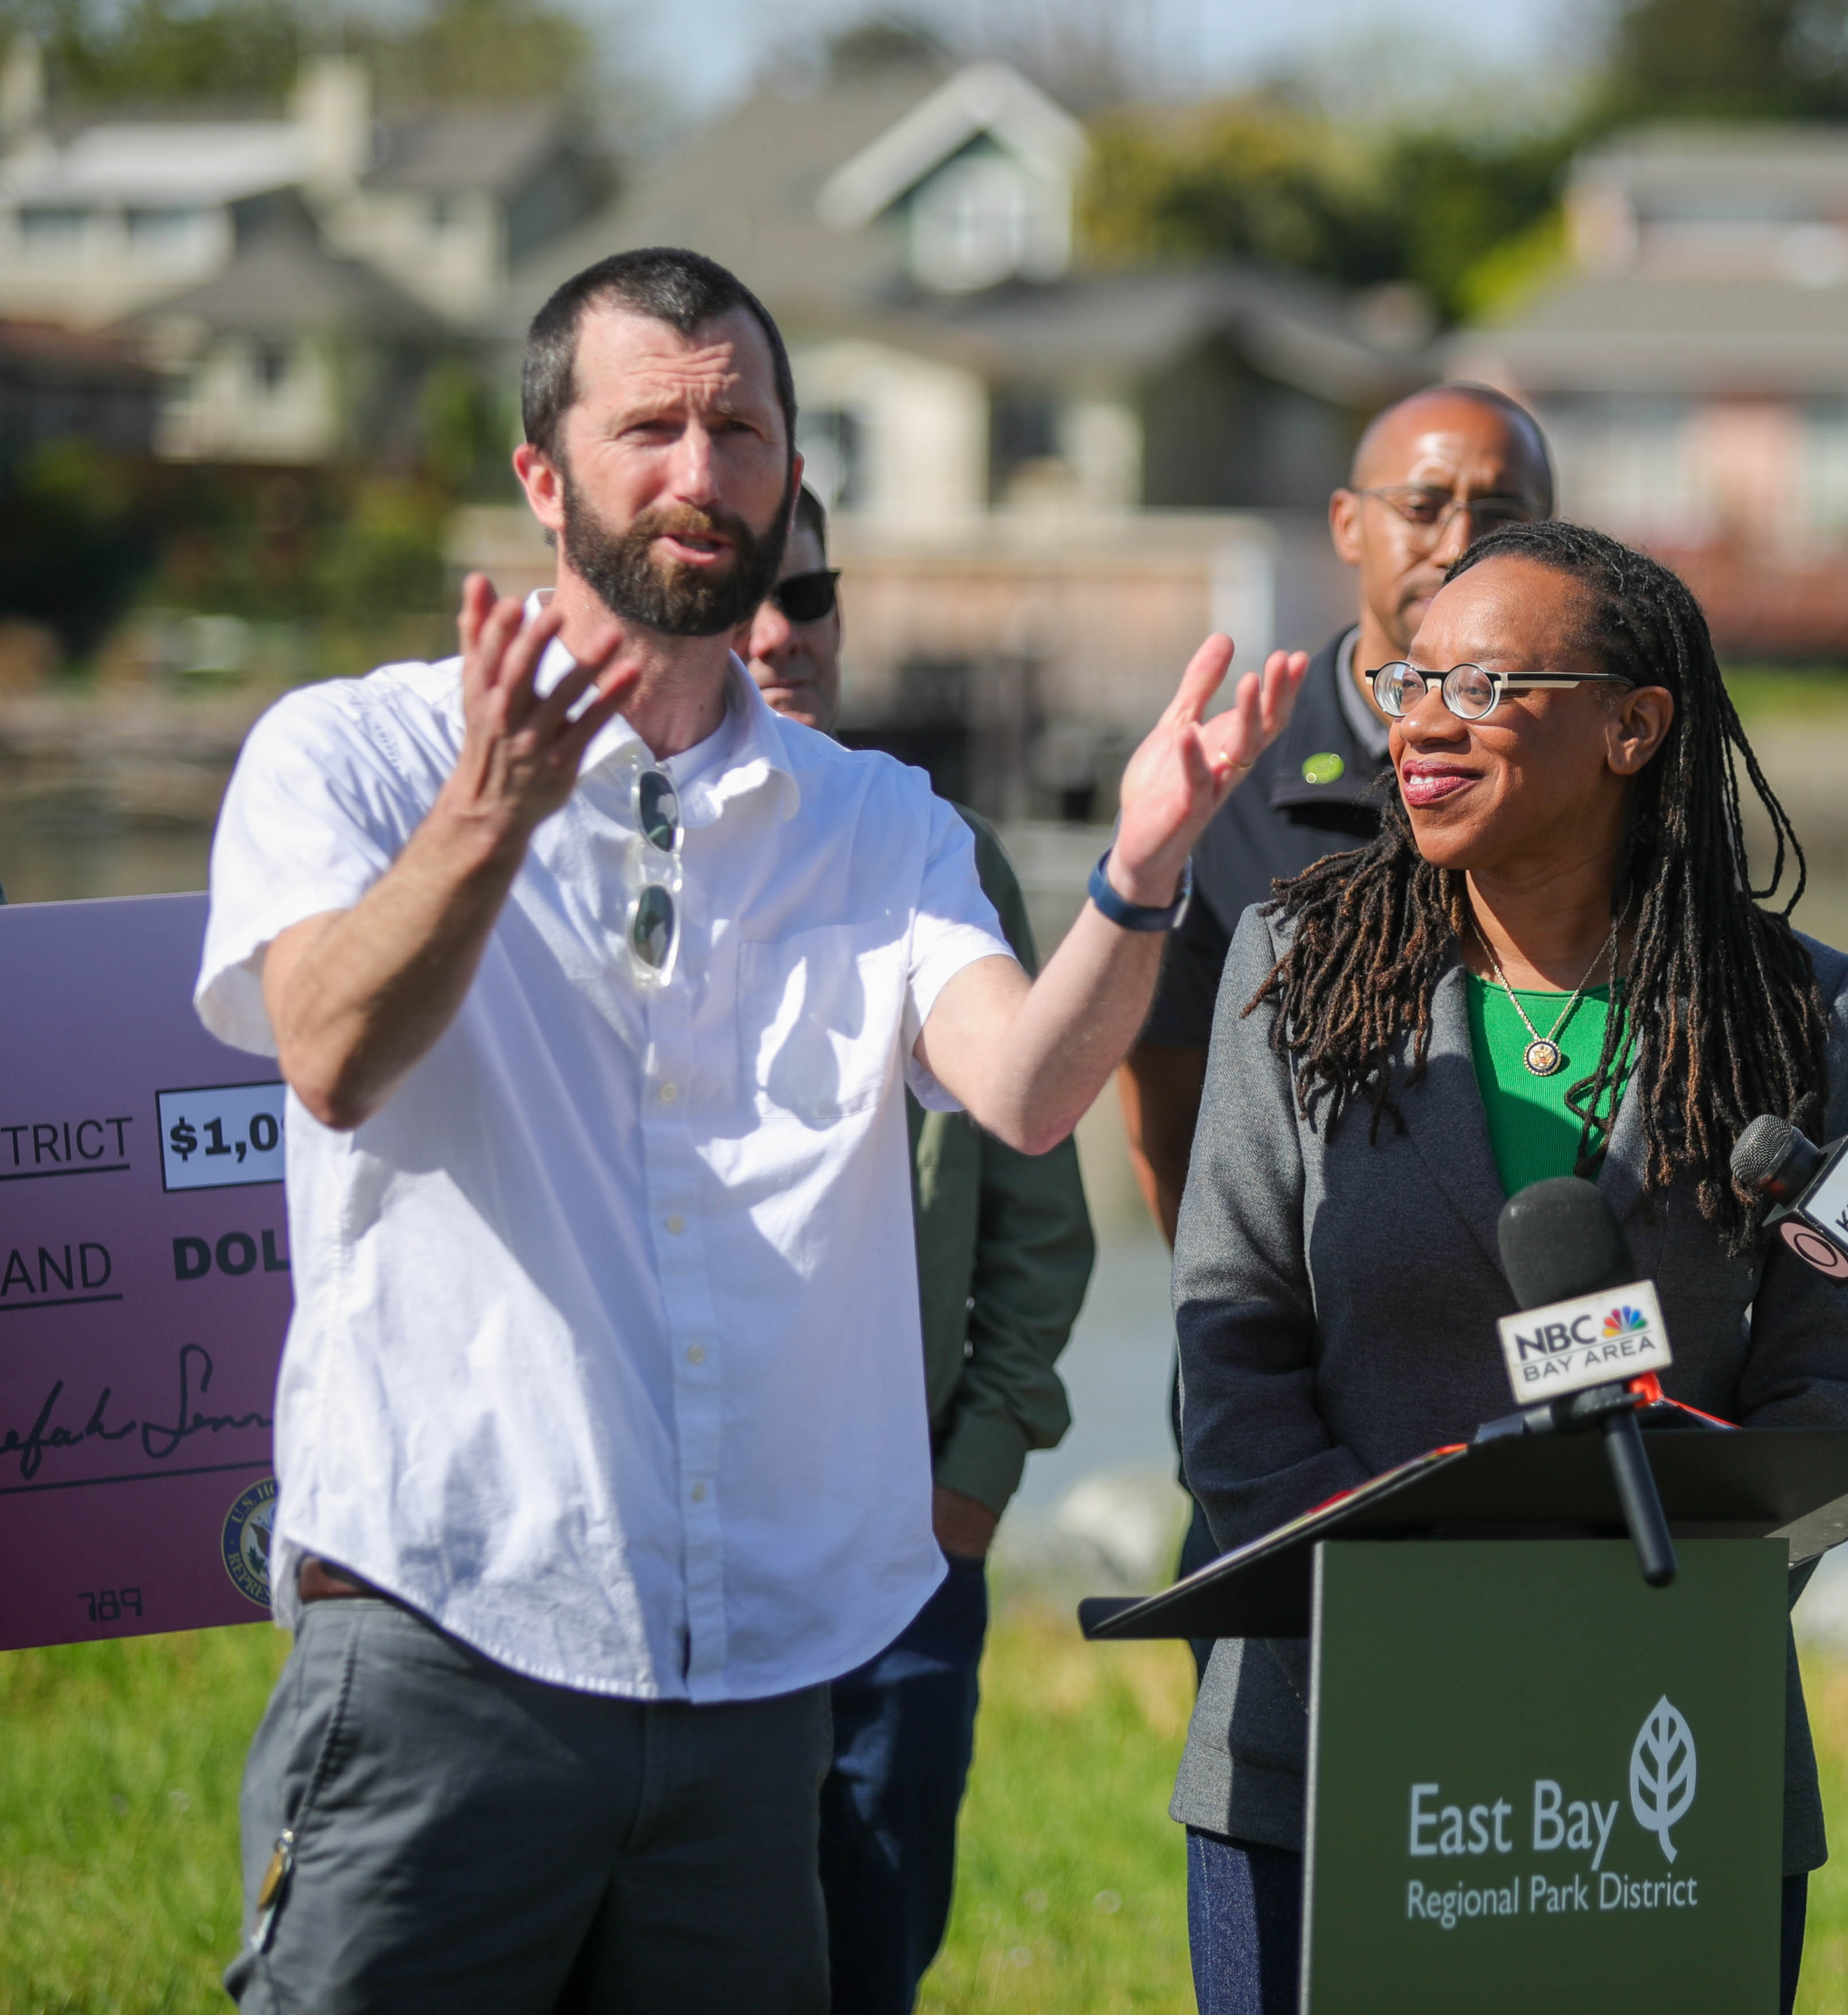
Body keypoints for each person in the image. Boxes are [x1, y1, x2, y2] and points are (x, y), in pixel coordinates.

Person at [198, 246, 1300, 2013]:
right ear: (543, 479)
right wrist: (491, 819)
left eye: (739, 428)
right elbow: (330, 1055)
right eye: (650, 427)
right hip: (443, 1636)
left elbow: (1022, 1088)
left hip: (751, 1691)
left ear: (792, 473)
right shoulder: (357, 756)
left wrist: (1139, 874)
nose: (700, 474)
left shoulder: (879, 824)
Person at [1170, 521, 1848, 2015]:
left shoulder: (1801, 1012)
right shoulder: (1295, 965)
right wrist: (1400, 1619)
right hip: (1328, 1725)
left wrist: (1659, 1609)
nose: (1424, 723)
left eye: (1486, 684)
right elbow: (1226, 1338)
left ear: (1634, 728)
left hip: (1660, 1738)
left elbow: (1834, 1366)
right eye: (1407, 682)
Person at [735, 488, 1099, 2014]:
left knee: (872, 1942)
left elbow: (1038, 1215)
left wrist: (974, 1479)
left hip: (903, 1554)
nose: (775, 632)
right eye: (736, 592)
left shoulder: (933, 854)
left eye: (807, 595)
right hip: (697, 1548)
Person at [1116, 382, 1554, 1607]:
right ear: (1350, 524)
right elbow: (1164, 1105)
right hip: (1289, 1392)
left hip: (1531, 1381)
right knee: (1286, 1760)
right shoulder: (1242, 769)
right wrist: (1264, 1315)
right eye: (1424, 505)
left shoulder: (1597, 783)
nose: (1460, 541)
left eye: (1502, 510)